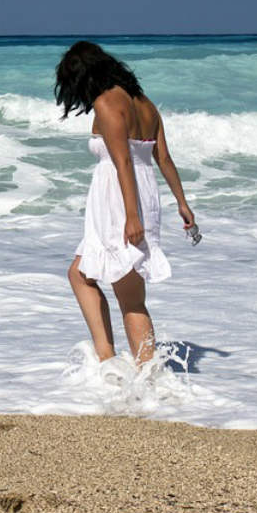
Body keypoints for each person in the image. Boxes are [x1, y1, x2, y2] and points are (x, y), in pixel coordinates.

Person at [54, 40, 195, 368]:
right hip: (143, 195)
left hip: (122, 200)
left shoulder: (107, 103)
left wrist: (132, 217)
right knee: (85, 276)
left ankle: (138, 374)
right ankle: (118, 364)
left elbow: (123, 163)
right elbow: (164, 159)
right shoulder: (146, 104)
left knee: (127, 296)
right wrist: (182, 203)